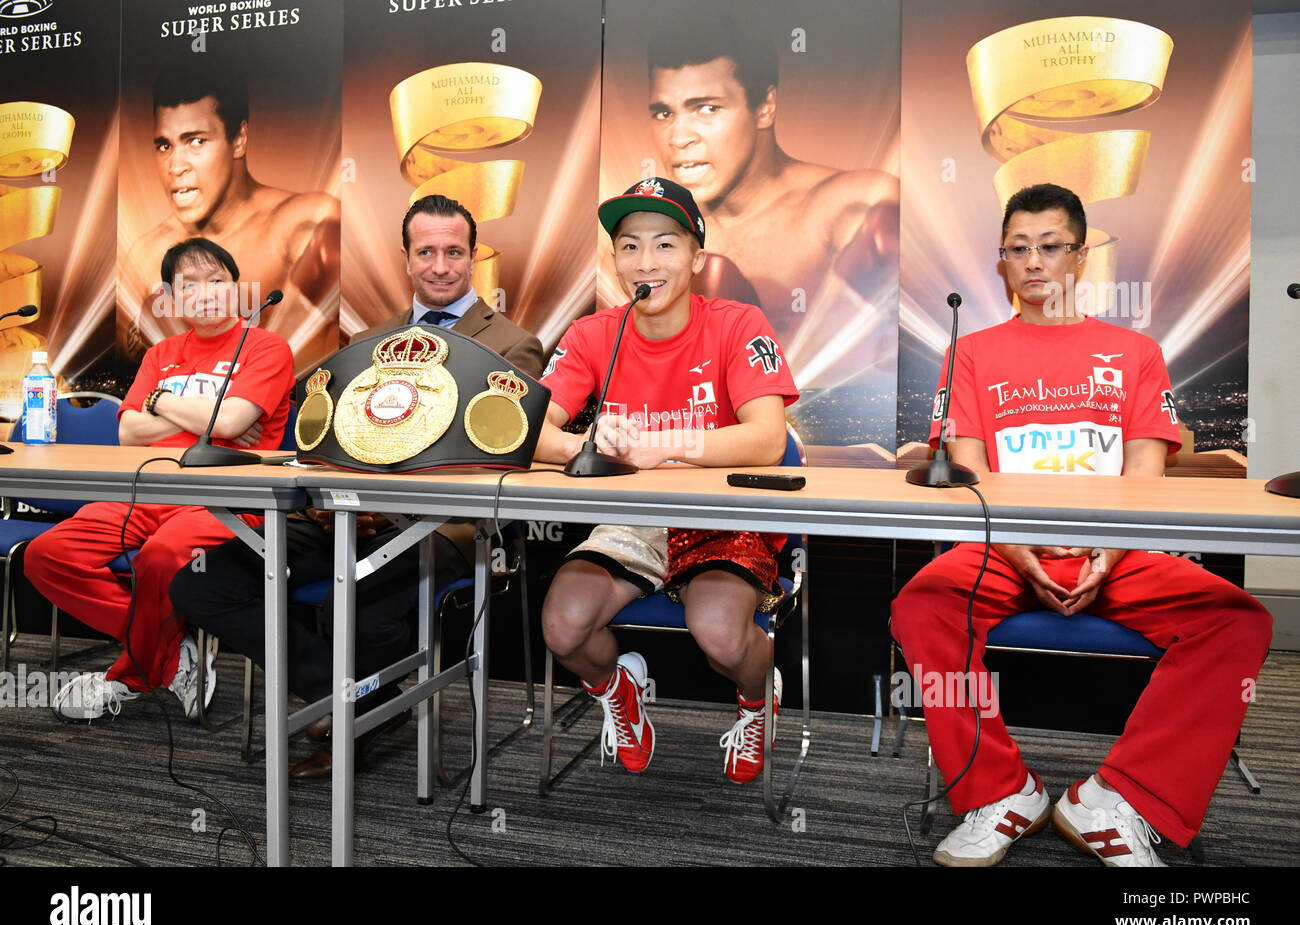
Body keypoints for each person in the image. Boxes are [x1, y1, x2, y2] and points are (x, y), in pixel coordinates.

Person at [890, 183, 1273, 867]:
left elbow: (1146, 474)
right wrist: (1019, 548)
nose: (1033, 261)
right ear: (1001, 262)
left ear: (1081, 255)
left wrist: (1110, 551)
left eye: (1049, 246)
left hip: (1114, 549)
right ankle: (1001, 792)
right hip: (1005, 547)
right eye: (1017, 249)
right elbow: (970, 477)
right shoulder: (971, 352)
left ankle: (1117, 799)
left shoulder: (1134, 351)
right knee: (922, 604)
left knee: (1239, 619)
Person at [170, 195, 544, 781]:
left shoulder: (514, 345)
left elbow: (493, 463)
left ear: (474, 258)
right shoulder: (369, 340)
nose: (440, 266)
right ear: (406, 257)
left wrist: (382, 506)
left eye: (454, 252)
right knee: (203, 584)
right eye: (427, 252)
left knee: (349, 604)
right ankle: (358, 700)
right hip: (345, 515)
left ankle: (347, 725)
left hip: (447, 524)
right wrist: (330, 510)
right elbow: (335, 443)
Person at [537, 178, 799, 784]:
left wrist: (662, 447)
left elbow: (766, 437)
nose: (645, 263)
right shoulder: (594, 333)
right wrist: (594, 446)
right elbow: (533, 432)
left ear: (696, 258)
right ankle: (619, 690)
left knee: (720, 635)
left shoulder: (738, 323)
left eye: (665, 245)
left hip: (721, 517)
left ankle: (758, 700)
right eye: (629, 247)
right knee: (563, 624)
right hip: (636, 516)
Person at [28, 237, 295, 721]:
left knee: (161, 558)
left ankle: (132, 674)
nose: (206, 293)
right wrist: (209, 415)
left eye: (216, 281)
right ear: (172, 300)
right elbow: (129, 433)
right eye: (189, 285)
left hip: (225, 501)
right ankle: (174, 654)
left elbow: (233, 426)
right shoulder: (162, 353)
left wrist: (159, 403)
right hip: (147, 488)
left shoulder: (267, 348)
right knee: (47, 556)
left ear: (237, 288)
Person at [642, 15, 898, 386]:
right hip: (693, 440)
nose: (679, 137)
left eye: (707, 108)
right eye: (664, 113)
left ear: (764, 106)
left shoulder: (848, 205)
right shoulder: (645, 243)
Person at [120, 61, 340, 369]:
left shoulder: (302, 223)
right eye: (164, 145)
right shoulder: (145, 254)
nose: (175, 166)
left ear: (239, 139)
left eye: (196, 141)